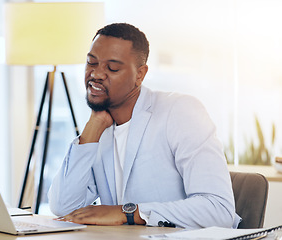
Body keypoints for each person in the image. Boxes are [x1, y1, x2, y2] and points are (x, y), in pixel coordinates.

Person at [48, 23, 241, 229]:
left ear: (140, 74)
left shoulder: (179, 112)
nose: (96, 74)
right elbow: (63, 206)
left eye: (112, 67)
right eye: (91, 63)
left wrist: (126, 213)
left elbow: (219, 211)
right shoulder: (102, 128)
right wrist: (92, 127)